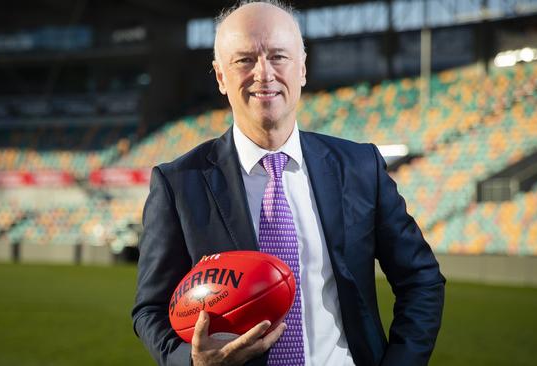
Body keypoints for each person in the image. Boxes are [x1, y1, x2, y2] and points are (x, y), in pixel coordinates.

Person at [132, 1, 445, 365]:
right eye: (244, 60)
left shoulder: (360, 167)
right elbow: (149, 309)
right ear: (220, 76)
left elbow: (421, 280)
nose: (264, 73)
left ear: (302, 69)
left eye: (278, 56)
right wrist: (192, 360)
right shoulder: (177, 185)